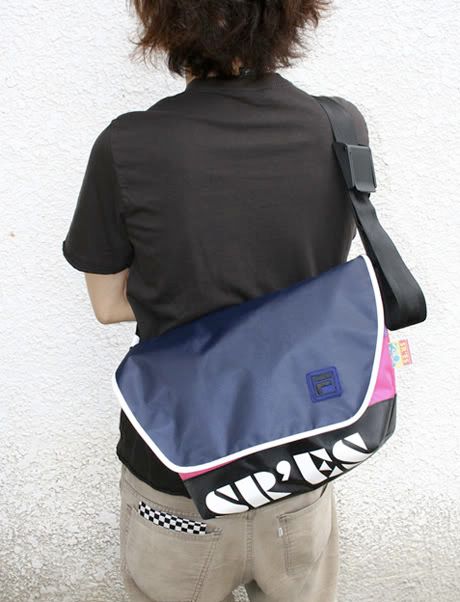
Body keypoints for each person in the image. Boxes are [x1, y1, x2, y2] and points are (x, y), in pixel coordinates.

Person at [62, 1, 369, 600]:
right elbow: (318, 278)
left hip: (178, 471)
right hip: (300, 456)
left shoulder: (128, 144)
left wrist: (189, 294)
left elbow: (108, 304)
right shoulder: (339, 125)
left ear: (166, 23)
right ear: (288, 18)